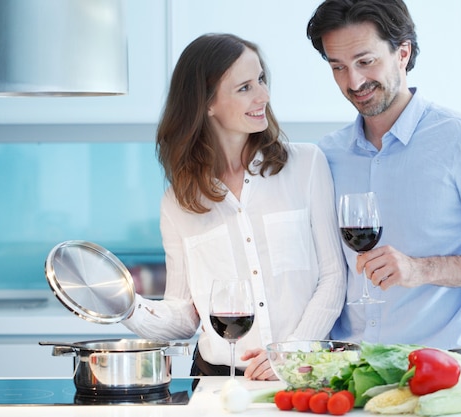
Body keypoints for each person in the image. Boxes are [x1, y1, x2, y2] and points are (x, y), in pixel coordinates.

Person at [306, 0, 461, 359]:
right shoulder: (327, 155)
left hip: (442, 366)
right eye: (337, 66)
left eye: (365, 61)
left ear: (402, 53)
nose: (352, 81)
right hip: (345, 365)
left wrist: (421, 270)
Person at [121, 33, 346, 379]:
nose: (264, 96)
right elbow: (183, 315)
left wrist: (292, 351)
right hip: (218, 380)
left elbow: (333, 277)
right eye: (245, 88)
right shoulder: (178, 203)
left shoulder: (307, 165)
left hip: (303, 373)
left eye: (261, 80)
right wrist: (123, 307)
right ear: (207, 103)